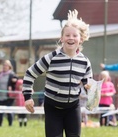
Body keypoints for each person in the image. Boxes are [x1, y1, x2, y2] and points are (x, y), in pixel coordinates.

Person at [22, 9, 92, 137]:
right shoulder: (51, 58)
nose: (71, 38)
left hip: (73, 107)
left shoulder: (84, 61)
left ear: (80, 39)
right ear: (62, 38)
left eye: (74, 35)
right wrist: (27, 98)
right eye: (67, 35)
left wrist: (92, 92)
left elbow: (89, 84)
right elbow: (30, 73)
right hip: (53, 107)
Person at [0, 60, 18, 127]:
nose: (4, 66)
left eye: (6, 65)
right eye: (3, 65)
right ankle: (0, 124)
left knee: (9, 111)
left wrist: (14, 81)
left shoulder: (12, 74)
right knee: (0, 111)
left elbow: (17, 83)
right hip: (0, 96)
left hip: (9, 96)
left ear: (9, 66)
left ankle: (10, 125)